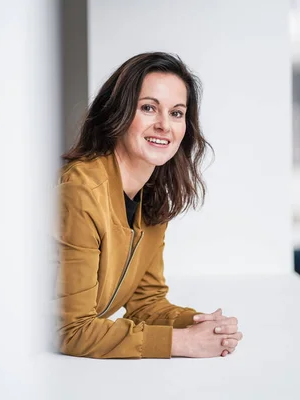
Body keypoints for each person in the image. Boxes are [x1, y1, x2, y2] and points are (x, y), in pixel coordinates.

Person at [56, 52, 243, 359]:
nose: (164, 125)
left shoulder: (150, 197)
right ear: (118, 113)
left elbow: (146, 303)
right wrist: (183, 343)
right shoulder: (80, 191)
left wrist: (204, 326)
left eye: (177, 113)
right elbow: (72, 331)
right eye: (148, 108)